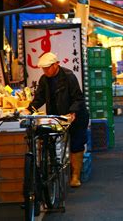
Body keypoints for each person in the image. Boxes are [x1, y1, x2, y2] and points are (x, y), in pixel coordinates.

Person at [25, 52, 89, 188]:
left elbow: (78, 98)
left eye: (48, 67)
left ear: (56, 64)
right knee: (52, 141)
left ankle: (75, 176)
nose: (46, 71)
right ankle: (56, 170)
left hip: (76, 115)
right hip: (56, 116)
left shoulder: (68, 76)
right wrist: (28, 110)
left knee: (77, 144)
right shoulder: (44, 79)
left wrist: (72, 112)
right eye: (44, 68)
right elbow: (39, 98)